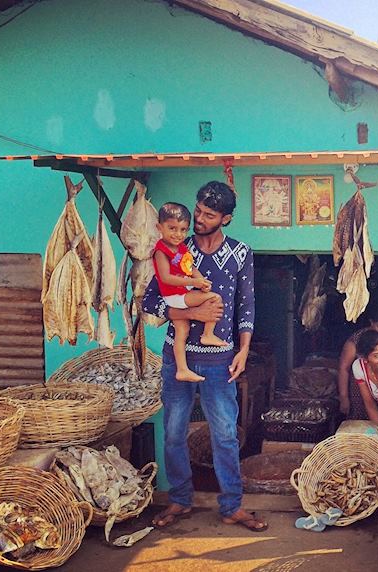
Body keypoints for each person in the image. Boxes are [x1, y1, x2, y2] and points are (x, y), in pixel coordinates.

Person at [142, 181, 267, 532]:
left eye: (207, 215)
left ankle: (231, 506)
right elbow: (150, 302)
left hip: (220, 360)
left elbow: (247, 307)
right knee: (173, 432)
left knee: (226, 433)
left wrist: (243, 350)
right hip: (176, 357)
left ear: (225, 218)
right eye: (196, 210)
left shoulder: (241, 254)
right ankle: (180, 500)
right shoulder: (175, 249)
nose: (197, 219)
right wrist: (189, 316)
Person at [152, 202, 227, 383]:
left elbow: (189, 267)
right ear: (159, 227)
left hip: (180, 294)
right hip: (174, 296)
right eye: (172, 228)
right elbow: (166, 278)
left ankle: (182, 369)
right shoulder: (160, 252)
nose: (178, 234)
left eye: (183, 230)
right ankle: (208, 334)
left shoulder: (178, 249)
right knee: (215, 297)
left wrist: (202, 281)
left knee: (182, 332)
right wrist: (194, 282)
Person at [337, 306, 378, 419]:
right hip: (360, 392)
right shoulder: (356, 340)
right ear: (371, 322)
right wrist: (344, 397)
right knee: (363, 424)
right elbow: (344, 368)